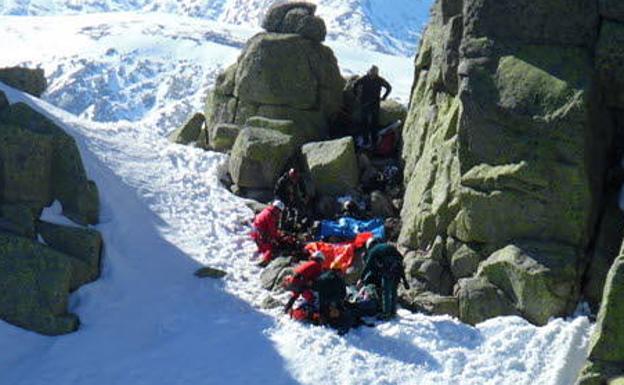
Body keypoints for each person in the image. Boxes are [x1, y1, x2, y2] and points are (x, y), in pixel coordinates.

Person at [359, 238, 409, 320]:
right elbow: (400, 258)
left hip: (388, 272)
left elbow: (367, 266)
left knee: (386, 292)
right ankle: (393, 312)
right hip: (397, 271)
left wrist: (361, 279)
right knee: (393, 292)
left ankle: (386, 314)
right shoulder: (389, 246)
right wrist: (404, 280)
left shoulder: (373, 251)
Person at [354, 65, 392, 147]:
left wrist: (384, 97)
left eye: (374, 73)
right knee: (366, 123)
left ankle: (372, 141)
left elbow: (389, 87)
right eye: (372, 72)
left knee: (373, 123)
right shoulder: (366, 78)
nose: (373, 74)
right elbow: (355, 85)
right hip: (366, 103)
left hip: (373, 104)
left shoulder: (377, 79)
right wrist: (357, 95)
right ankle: (366, 141)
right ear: (369, 71)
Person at [251, 200, 285, 267]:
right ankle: (265, 260)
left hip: (256, 231)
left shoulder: (267, 210)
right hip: (260, 234)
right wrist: (277, 236)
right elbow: (272, 230)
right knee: (271, 247)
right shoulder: (271, 216)